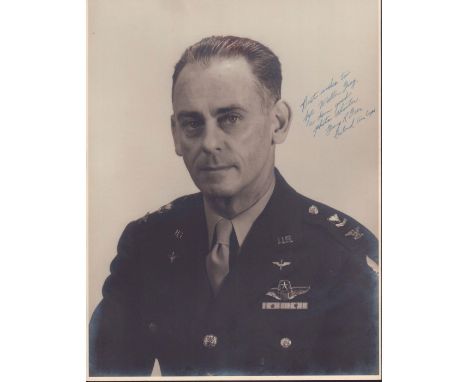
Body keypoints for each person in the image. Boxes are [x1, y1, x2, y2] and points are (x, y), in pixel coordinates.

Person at [89, 35, 379, 377]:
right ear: (176, 135)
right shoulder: (147, 243)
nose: (209, 143)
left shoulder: (342, 255)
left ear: (279, 122)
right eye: (192, 123)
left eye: (230, 118)